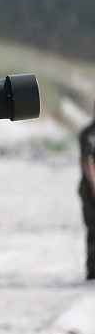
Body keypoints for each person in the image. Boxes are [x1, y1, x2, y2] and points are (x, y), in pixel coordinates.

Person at [78, 100, 95, 280]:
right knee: (93, 229)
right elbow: (87, 161)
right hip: (90, 189)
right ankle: (92, 269)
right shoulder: (89, 133)